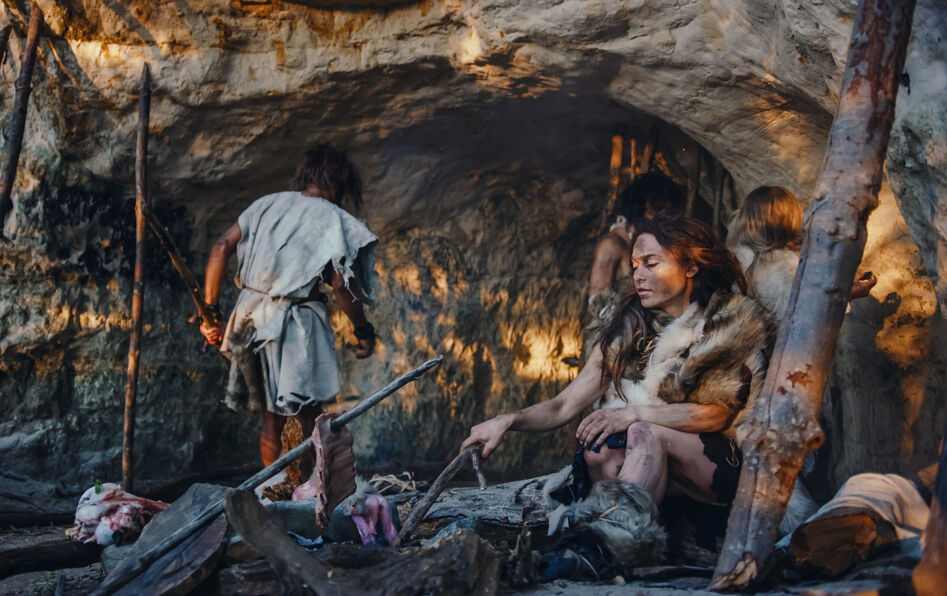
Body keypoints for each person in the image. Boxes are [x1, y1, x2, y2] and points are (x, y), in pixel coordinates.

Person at [463, 215, 774, 509]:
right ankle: (622, 523)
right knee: (598, 451)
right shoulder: (627, 327)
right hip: (647, 465)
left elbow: (716, 415)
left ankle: (615, 531)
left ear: (691, 266)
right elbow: (563, 405)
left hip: (712, 462)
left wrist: (633, 415)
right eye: (635, 265)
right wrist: (508, 420)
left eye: (651, 263)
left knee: (643, 433)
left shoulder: (727, 321)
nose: (638, 275)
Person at [201, 144, 378, 468]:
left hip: (249, 319)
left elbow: (220, 247)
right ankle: (306, 491)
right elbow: (341, 284)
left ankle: (272, 488)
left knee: (272, 419)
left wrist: (210, 312)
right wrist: (362, 329)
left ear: (305, 176)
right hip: (294, 326)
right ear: (341, 184)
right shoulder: (331, 216)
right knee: (308, 418)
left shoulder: (266, 204)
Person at [727, 186, 877, 321]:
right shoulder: (792, 266)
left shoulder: (733, 259)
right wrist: (847, 294)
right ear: (792, 218)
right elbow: (812, 319)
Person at [583, 173, 685, 359]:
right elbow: (597, 303)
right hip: (615, 341)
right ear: (639, 208)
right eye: (657, 208)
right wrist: (626, 325)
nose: (662, 216)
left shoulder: (655, 243)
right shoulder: (613, 245)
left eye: (667, 210)